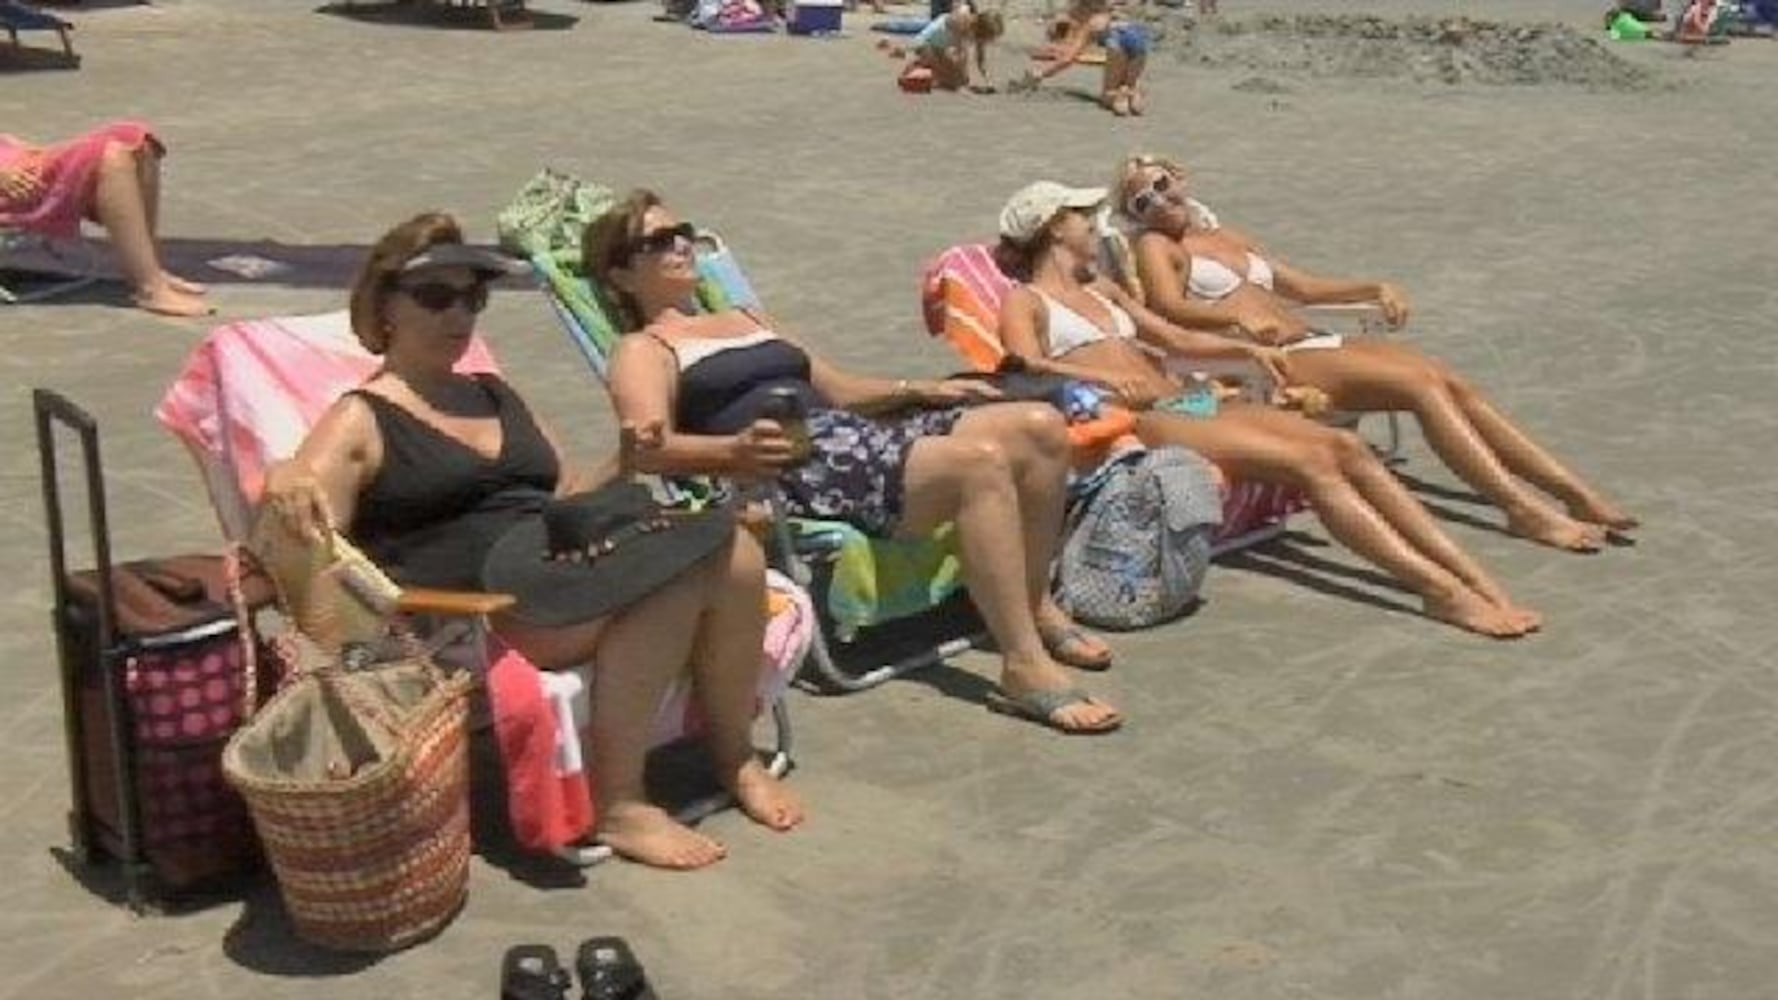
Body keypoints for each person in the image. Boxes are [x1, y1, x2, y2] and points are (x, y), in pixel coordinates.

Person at [259, 213, 802, 871]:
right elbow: (299, 552)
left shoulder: (493, 393)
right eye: (436, 296)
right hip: (479, 614)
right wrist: (282, 477)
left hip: (561, 563)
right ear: (384, 305)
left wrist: (624, 462)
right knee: (677, 583)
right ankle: (620, 802)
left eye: (473, 297)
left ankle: (734, 756)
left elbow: (566, 497)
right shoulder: (359, 418)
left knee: (736, 551)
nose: (459, 313)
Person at [588, 189, 1123, 735]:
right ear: (621, 277)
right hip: (800, 467)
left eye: (683, 232)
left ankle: (1033, 604)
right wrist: (733, 451)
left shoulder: (745, 316)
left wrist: (924, 388)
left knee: (1039, 426)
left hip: (857, 435)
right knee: (980, 464)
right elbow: (650, 450)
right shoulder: (643, 350)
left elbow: (838, 389)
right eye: (657, 241)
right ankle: (1024, 666)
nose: (680, 245)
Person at [995, 181, 1543, 639]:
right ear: (1053, 228)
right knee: (1310, 466)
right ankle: (1439, 590)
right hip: (1139, 419)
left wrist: (1245, 350)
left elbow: (1173, 337)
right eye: (1081, 216)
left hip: (1188, 398)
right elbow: (1022, 365)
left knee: (1344, 447)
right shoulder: (1026, 301)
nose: (1093, 222)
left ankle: (1476, 581)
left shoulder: (1106, 291)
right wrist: (1105, 378)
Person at [1113, 154, 1637, 551]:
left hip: (1315, 338)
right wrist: (1231, 318)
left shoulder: (1223, 234)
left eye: (1161, 185)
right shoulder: (1157, 248)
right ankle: (1521, 509)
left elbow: (1303, 287)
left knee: (1451, 381)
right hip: (1272, 361)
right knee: (1421, 387)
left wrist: (1372, 286)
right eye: (1142, 203)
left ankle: (1570, 491)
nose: (1158, 202)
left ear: (1179, 177)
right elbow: (1166, 308)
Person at [0, 122, 211, 317]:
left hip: (14, 161)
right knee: (111, 156)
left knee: (135, 137)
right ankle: (149, 288)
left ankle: (152, 268)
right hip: (9, 181)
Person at [1017, 0, 1150, 116]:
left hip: (1117, 42)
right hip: (1140, 39)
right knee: (1132, 90)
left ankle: (1119, 95)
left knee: (1108, 96)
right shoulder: (1118, 13)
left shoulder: (1092, 23)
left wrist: (1040, 74)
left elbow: (1068, 59)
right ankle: (1132, 92)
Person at [910, 2, 1004, 93]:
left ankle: (930, 69)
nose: (991, 41)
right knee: (957, 81)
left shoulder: (978, 30)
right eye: (991, 37)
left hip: (940, 47)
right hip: (925, 44)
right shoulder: (962, 20)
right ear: (984, 31)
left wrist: (988, 81)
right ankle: (923, 68)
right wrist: (963, 82)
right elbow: (961, 55)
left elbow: (980, 59)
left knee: (958, 79)